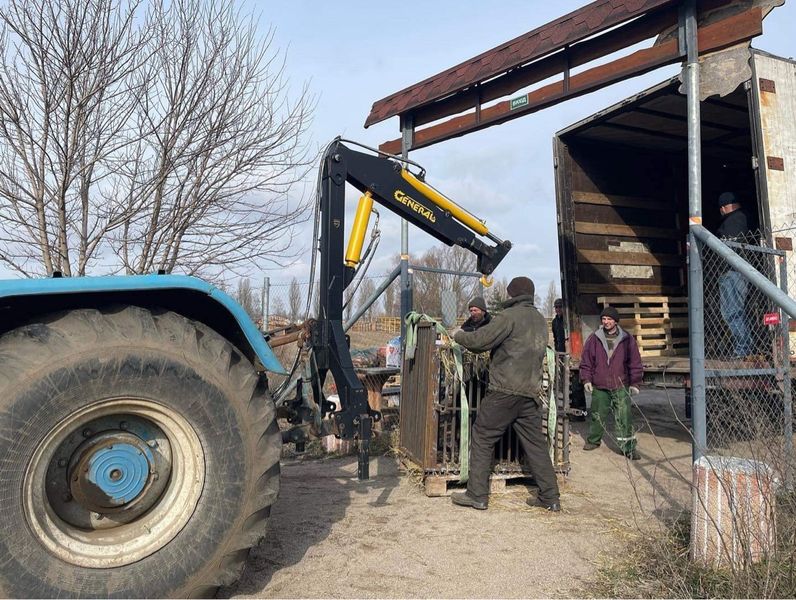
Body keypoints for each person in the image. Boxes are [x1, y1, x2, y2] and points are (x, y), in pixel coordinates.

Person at [450, 276, 561, 511]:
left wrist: (458, 335)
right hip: (530, 391)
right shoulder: (541, 320)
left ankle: (477, 495)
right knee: (536, 445)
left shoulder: (508, 317)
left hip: (504, 391)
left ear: (512, 294)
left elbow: (481, 341)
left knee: (482, 434)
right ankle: (550, 497)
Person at [580, 306, 643, 460]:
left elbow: (635, 363)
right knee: (597, 415)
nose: (606, 322)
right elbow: (586, 362)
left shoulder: (627, 339)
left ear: (615, 321)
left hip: (620, 384)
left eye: (609, 319)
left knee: (624, 417)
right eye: (604, 319)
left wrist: (635, 383)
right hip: (600, 385)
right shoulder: (594, 339)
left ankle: (627, 448)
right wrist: (586, 380)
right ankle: (593, 441)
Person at [716, 191, 753, 358]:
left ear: (724, 208)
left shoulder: (734, 220)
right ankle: (744, 346)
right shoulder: (741, 218)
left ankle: (743, 348)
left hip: (733, 273)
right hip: (737, 273)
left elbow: (731, 246)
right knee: (735, 311)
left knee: (732, 312)